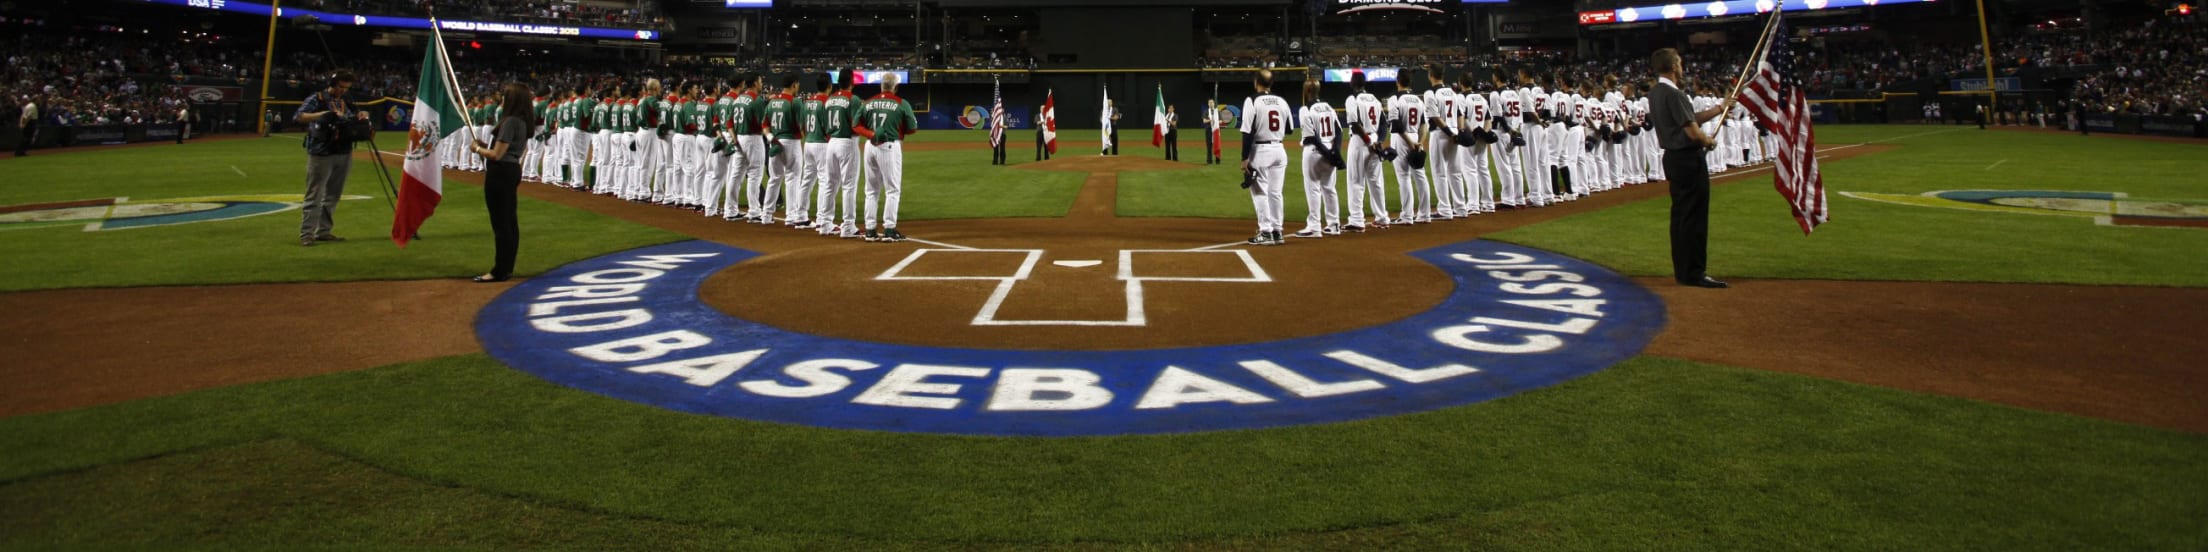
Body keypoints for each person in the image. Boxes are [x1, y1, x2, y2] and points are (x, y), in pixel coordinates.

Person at [1647, 48, 1734, 289]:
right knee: (1694, 218)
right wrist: (1709, 141)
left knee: (1681, 217)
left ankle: (1684, 271)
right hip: (1688, 159)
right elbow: (1693, 132)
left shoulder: (1656, 93)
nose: (1682, 67)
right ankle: (1695, 272)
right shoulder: (1675, 94)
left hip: (1673, 158)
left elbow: (1688, 118)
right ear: (1674, 66)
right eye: (1680, 63)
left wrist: (1719, 109)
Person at [468, 83, 536, 283]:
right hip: (512, 169)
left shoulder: (510, 121)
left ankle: (499, 270)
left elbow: (497, 154)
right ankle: (506, 267)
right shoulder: (523, 121)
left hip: (501, 172)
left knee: (501, 223)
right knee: (509, 221)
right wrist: (484, 147)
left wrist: (477, 150)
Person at [294, 70, 368, 247]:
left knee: (333, 194)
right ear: (333, 84)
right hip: (321, 152)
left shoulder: (347, 100)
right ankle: (307, 234)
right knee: (315, 194)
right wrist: (322, 115)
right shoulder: (317, 98)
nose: (343, 90)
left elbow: (351, 117)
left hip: (343, 150)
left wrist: (360, 115)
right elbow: (299, 116)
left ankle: (324, 231)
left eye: (346, 88)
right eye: (341, 87)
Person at [853, 73, 919, 242]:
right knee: (892, 189)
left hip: (870, 146)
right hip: (890, 146)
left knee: (871, 190)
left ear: (881, 86)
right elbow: (912, 129)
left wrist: (871, 134)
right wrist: (898, 129)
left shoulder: (868, 102)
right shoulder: (901, 103)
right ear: (895, 87)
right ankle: (889, 228)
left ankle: (870, 230)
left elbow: (855, 125)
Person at [1239, 69, 1293, 246]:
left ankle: (1266, 232)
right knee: (1276, 192)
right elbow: (1289, 129)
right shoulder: (1282, 101)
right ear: (1271, 84)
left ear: (1256, 82)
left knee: (1260, 192)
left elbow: (1247, 132)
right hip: (1279, 149)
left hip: (1260, 150)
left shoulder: (1252, 100)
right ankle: (1278, 231)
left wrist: (1244, 158)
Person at [1295, 80, 1342, 239]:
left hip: (1314, 152)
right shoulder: (1329, 107)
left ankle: (1314, 226)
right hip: (1330, 148)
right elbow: (1339, 132)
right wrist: (1335, 152)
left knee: (1313, 188)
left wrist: (1326, 153)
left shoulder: (1305, 109)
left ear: (1307, 91)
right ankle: (1334, 224)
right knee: (1329, 188)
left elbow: (1310, 137)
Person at [1201, 99, 1220, 164]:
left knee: (1217, 145)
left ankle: (1218, 160)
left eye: (1212, 102)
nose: (1211, 104)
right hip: (1208, 130)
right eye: (1209, 103)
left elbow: (1221, 121)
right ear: (1208, 104)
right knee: (1209, 146)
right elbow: (1204, 121)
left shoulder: (1217, 111)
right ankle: (1209, 161)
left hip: (1216, 130)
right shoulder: (1206, 111)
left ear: (1214, 103)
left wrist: (1217, 122)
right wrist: (1210, 120)